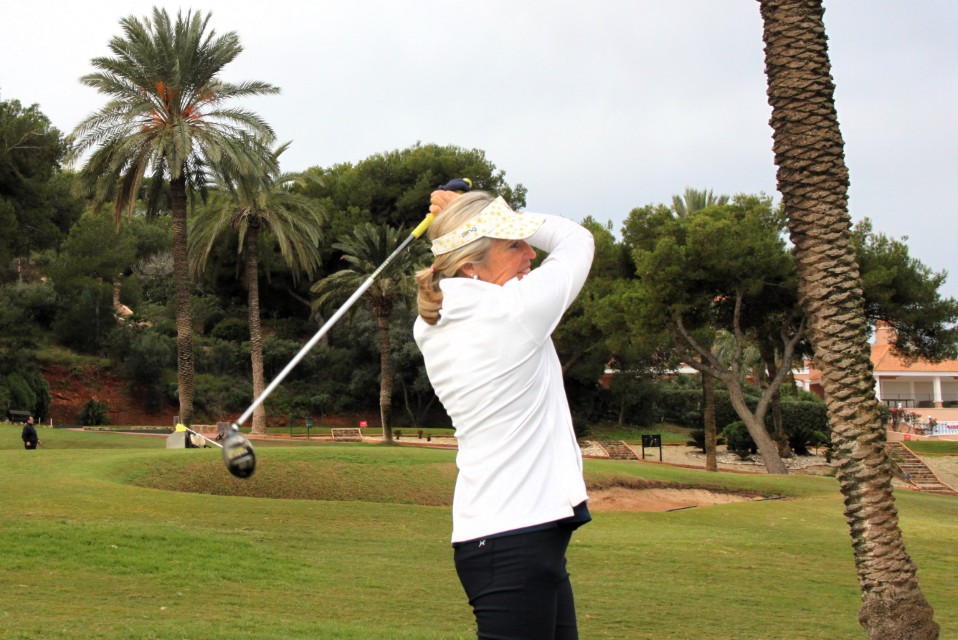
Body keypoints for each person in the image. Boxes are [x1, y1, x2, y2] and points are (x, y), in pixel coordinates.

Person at [414, 189, 595, 639]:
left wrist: (478, 218)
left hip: (514, 536)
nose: (530, 252)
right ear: (470, 265)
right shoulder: (514, 310)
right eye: (513, 243)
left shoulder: (435, 321)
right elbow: (577, 239)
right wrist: (497, 213)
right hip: (515, 539)